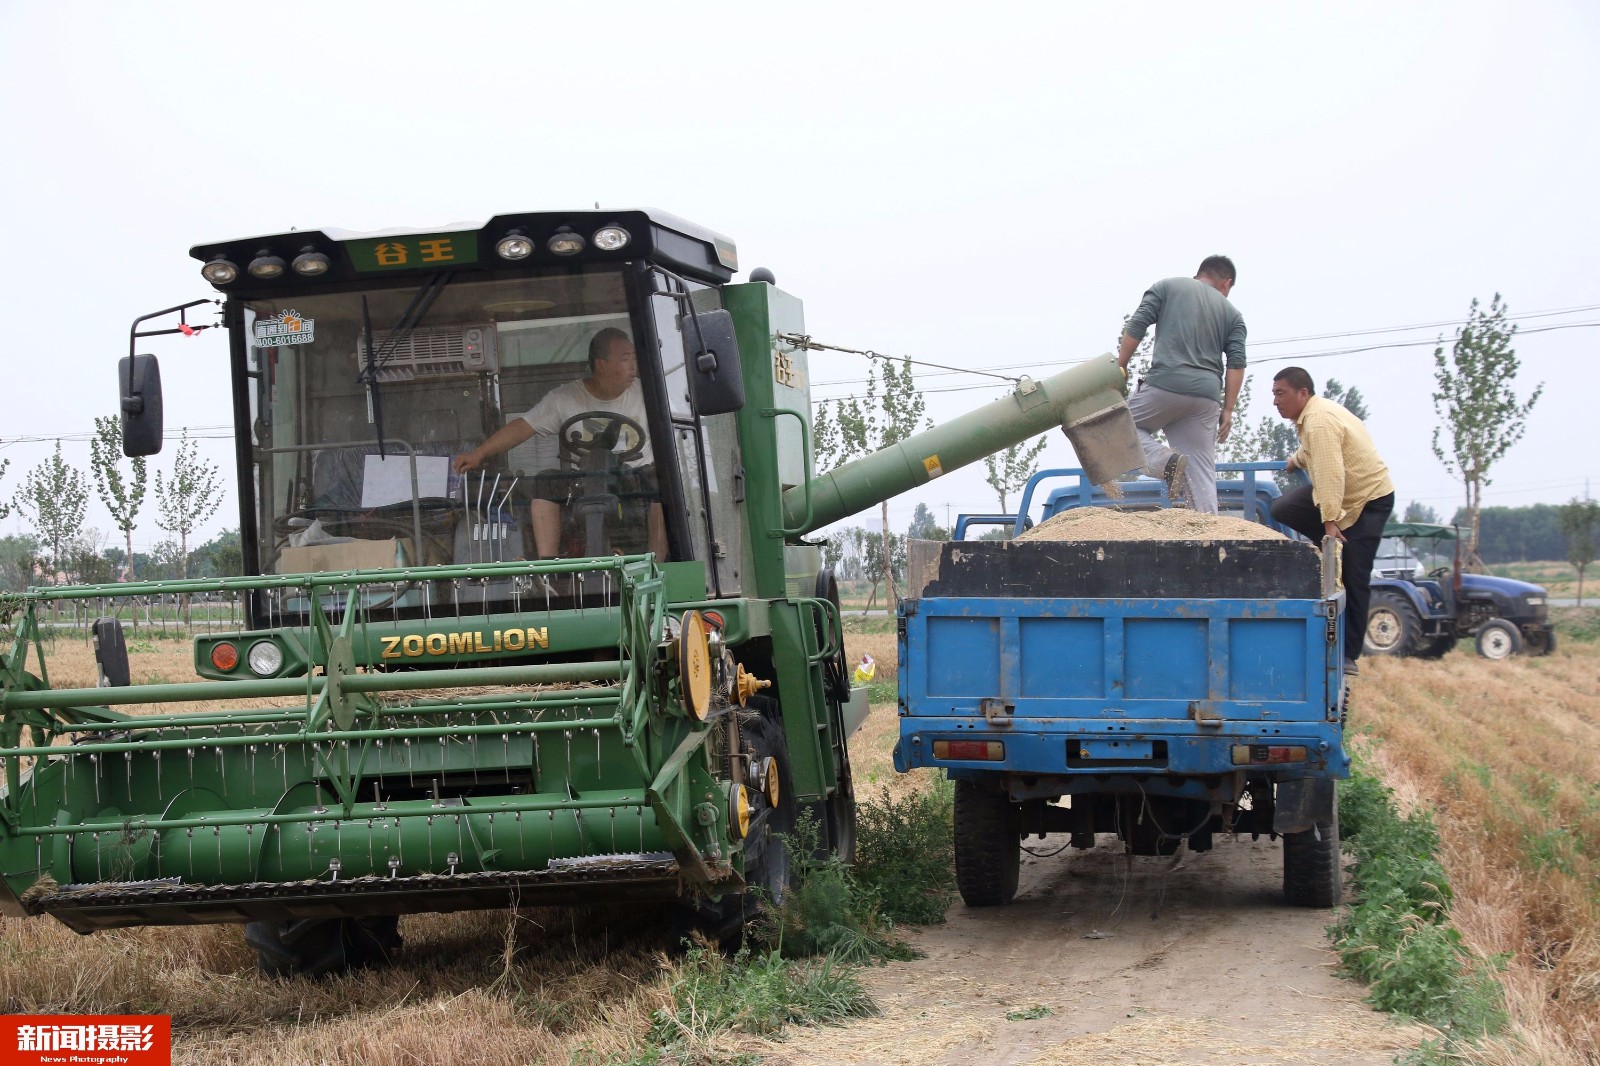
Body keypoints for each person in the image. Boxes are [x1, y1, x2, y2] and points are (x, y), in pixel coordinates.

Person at [453, 327, 668, 560]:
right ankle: (549, 568)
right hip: (584, 482)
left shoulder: (649, 392)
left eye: (634, 357)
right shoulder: (563, 398)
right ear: (601, 364)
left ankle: (657, 564)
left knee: (664, 481)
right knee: (546, 481)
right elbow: (522, 427)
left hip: (635, 481)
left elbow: (674, 426)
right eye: (626, 359)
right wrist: (479, 453)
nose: (633, 366)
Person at [1267, 366, 1395, 676]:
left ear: (1303, 393)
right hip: (1347, 495)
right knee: (1282, 508)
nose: (1275, 401)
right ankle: (1332, 548)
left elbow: (1330, 474)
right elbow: (1315, 454)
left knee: (1354, 574)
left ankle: (1349, 654)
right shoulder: (1313, 416)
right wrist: (1296, 460)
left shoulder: (1319, 422)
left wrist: (1329, 523)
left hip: (1368, 500)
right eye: (1273, 395)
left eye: (1280, 394)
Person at [1117, 256, 1247, 513]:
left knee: (1116, 429)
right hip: (1206, 399)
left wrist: (1121, 366)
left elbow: (1137, 325)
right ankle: (1209, 536)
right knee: (1201, 473)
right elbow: (1236, 364)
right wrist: (1229, 409)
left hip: (1164, 386)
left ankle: (1165, 462)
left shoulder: (1168, 287)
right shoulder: (1233, 315)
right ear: (1226, 283)